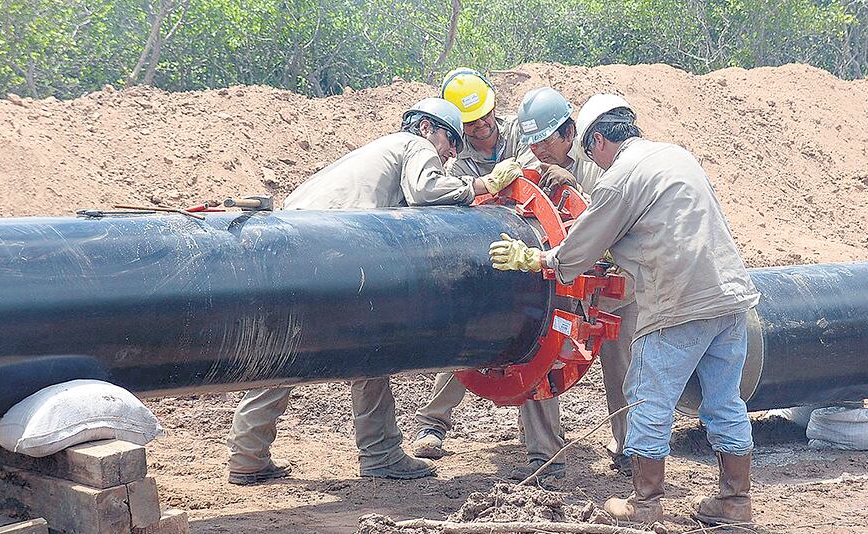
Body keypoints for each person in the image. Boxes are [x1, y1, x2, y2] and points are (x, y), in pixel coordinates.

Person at [488, 93, 759, 526]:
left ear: (596, 141)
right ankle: (735, 502)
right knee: (725, 402)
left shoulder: (618, 178)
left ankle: (645, 504)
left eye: (588, 148)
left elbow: (577, 253)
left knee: (647, 400)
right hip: (729, 297)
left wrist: (537, 258)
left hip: (677, 302)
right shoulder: (676, 155)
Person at [226, 97, 523, 485]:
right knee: (372, 350)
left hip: (292, 241)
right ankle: (380, 453)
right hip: (334, 248)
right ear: (425, 128)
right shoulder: (413, 145)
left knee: (291, 349)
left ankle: (247, 456)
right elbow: (425, 191)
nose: (451, 153)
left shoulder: (372, 155)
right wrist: (480, 184)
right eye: (449, 140)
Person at [410, 69, 565, 482]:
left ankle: (544, 451)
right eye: (473, 124)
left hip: (531, 248)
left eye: (487, 117)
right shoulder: (453, 154)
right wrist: (481, 185)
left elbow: (544, 167)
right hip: (480, 253)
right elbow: (444, 196)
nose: (483, 127)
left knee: (537, 340)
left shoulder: (518, 132)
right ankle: (432, 425)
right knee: (470, 337)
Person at [514, 86, 639, 476]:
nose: (538, 150)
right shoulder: (526, 167)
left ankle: (632, 449)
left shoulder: (601, 161)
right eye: (532, 142)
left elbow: (611, 224)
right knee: (532, 355)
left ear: (570, 133)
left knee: (625, 368)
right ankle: (544, 455)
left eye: (546, 140)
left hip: (611, 286)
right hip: (556, 285)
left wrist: (571, 185)